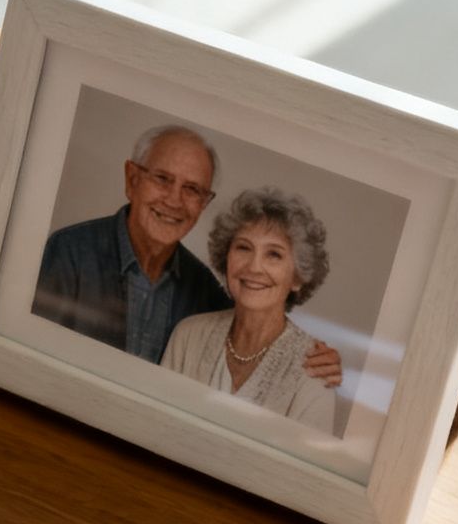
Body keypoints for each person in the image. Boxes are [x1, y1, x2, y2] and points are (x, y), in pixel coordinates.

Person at [33, 123, 340, 385]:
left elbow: (256, 324)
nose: (174, 200)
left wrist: (317, 356)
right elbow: (30, 354)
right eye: (162, 179)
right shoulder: (70, 252)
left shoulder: (203, 288)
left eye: (192, 189)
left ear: (204, 203)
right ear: (132, 179)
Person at [161, 188, 337, 435]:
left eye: (273, 254)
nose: (254, 267)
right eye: (244, 248)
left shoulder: (314, 371)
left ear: (298, 277)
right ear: (226, 258)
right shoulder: (187, 335)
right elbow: (156, 428)